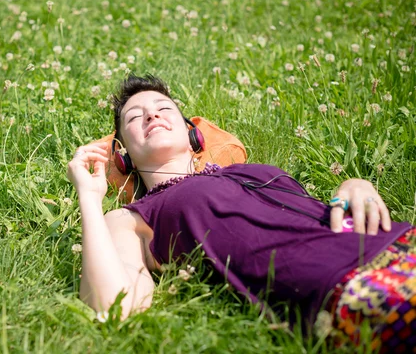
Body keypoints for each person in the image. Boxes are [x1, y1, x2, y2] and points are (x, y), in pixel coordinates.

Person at [66, 75, 415, 351]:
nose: (152, 114)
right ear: (122, 155)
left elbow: (312, 214)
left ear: (193, 133)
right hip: (351, 286)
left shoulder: (252, 171)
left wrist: (353, 184)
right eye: (134, 116)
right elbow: (115, 308)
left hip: (399, 240)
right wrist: (89, 197)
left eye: (164, 108)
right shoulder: (135, 216)